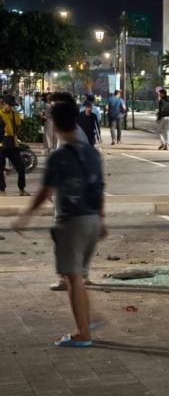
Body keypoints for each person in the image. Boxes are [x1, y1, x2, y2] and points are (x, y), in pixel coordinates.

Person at [12, 93, 106, 348]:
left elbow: (44, 192)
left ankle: (82, 333)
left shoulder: (59, 155)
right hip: (91, 220)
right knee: (77, 276)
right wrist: (101, 220)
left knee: (72, 278)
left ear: (54, 123)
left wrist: (25, 217)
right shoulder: (92, 153)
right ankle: (90, 319)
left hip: (71, 222)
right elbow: (99, 187)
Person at [0, 95, 29, 196]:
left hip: (12, 142)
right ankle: (2, 190)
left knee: (21, 167)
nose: (11, 107)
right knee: (0, 167)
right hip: (1, 142)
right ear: (4, 103)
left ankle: (22, 189)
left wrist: (18, 138)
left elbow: (18, 128)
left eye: (12, 105)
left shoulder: (14, 115)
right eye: (10, 105)